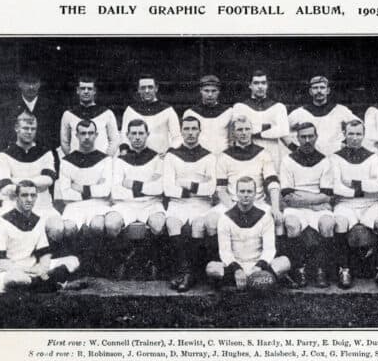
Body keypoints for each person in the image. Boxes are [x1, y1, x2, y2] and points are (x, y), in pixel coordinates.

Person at [0, 110, 65, 242]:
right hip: (13, 206)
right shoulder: (4, 156)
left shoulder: (46, 153)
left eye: (33, 129)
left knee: (57, 229)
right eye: (25, 128)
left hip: (42, 206)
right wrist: (34, 184)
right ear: (16, 128)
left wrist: (15, 182)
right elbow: (4, 187)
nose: (29, 132)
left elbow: (48, 180)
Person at [205, 115, 282, 270]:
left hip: (257, 202)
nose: (244, 133)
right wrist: (233, 209)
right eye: (240, 130)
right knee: (211, 221)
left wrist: (275, 207)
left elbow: (272, 182)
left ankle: (269, 268)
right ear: (234, 133)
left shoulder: (263, 153)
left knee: (277, 220)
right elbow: (220, 189)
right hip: (231, 202)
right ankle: (223, 266)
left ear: (251, 131)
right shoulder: (224, 156)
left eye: (247, 129)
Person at [324, 119, 378, 289]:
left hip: (371, 203)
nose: (355, 138)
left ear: (363, 135)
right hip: (345, 204)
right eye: (351, 134)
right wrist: (362, 186)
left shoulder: (373, 157)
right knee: (340, 222)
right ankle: (344, 269)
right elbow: (336, 187)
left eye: (358, 134)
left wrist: (353, 184)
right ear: (345, 135)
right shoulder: (335, 158)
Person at [0, 180, 80, 293]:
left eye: (33, 195)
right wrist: (30, 271)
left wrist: (42, 268)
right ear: (16, 197)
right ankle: (48, 284)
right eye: (24, 195)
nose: (29, 199)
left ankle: (41, 283)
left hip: (34, 268)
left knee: (73, 261)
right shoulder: (0, 221)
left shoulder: (39, 220)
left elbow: (44, 253)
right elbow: (0, 261)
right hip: (8, 271)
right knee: (18, 279)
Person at [105, 119, 166, 278]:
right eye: (134, 133)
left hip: (151, 204)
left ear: (147, 135)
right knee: (111, 224)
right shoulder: (119, 160)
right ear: (128, 135)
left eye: (141, 133)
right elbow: (116, 191)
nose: (137, 137)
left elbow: (159, 188)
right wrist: (146, 186)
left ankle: (150, 262)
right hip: (125, 205)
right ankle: (123, 261)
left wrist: (130, 183)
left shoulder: (156, 158)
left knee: (159, 226)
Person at [206, 176, 291, 290]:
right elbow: (225, 251)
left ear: (255, 194)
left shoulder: (265, 217)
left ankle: (242, 282)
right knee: (211, 268)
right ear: (236, 193)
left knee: (285, 262)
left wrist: (258, 267)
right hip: (236, 266)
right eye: (242, 191)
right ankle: (256, 282)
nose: (246, 195)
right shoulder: (225, 218)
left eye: (249, 191)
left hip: (258, 267)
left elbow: (269, 249)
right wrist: (237, 269)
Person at [163, 116, 216, 292]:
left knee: (198, 226)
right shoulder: (171, 156)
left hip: (201, 204)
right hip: (177, 204)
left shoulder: (209, 157)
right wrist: (196, 186)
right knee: (172, 224)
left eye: (194, 129)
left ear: (200, 131)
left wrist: (186, 183)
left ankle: (190, 273)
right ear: (181, 131)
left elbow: (211, 188)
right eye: (187, 129)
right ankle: (183, 270)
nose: (191, 133)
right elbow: (168, 188)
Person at [280, 122, 333, 288]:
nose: (307, 140)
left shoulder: (325, 161)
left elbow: (328, 195)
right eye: (303, 137)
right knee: (292, 225)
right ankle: (299, 269)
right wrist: (315, 200)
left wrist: (304, 198)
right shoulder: (287, 161)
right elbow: (288, 196)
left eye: (311, 136)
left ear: (316, 137)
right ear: (297, 138)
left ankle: (321, 270)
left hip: (318, 210)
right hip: (298, 209)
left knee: (327, 224)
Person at [57, 119, 113, 242]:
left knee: (98, 225)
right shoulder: (66, 161)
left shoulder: (106, 160)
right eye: (83, 133)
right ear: (76, 135)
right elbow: (66, 193)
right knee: (68, 228)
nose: (87, 137)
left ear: (96, 135)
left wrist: (80, 188)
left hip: (99, 204)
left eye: (90, 133)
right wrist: (94, 187)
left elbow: (105, 190)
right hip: (74, 206)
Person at [0, 70, 61, 159]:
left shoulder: (51, 108)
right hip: (16, 159)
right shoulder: (8, 109)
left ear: (39, 84)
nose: (31, 87)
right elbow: (0, 140)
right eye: (27, 83)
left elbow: (57, 138)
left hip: (43, 158)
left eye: (34, 83)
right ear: (20, 84)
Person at [286, 76, 359, 156]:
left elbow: (359, 125)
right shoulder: (300, 112)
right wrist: (295, 147)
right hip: (310, 157)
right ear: (310, 91)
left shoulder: (340, 110)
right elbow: (283, 130)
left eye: (322, 87)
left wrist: (346, 143)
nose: (319, 91)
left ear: (328, 90)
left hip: (334, 156)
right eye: (315, 88)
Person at [232, 70, 289, 168]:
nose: (260, 86)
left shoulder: (279, 107)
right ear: (250, 85)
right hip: (249, 152)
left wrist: (256, 132)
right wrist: (269, 128)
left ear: (267, 85)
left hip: (272, 152)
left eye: (263, 83)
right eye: (256, 83)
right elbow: (239, 130)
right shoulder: (240, 107)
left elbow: (283, 130)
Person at [121, 74, 181, 155]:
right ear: (138, 89)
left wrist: (168, 153)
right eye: (143, 88)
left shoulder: (168, 110)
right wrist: (125, 151)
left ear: (156, 88)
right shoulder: (130, 110)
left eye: (150, 87)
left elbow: (177, 137)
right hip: (136, 159)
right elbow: (124, 135)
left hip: (160, 158)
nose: (147, 91)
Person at [60, 75, 120, 156]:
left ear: (94, 91)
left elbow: (114, 140)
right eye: (82, 88)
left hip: (100, 163)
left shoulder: (107, 114)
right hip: (76, 163)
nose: (86, 91)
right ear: (77, 90)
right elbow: (64, 142)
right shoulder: (68, 115)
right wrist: (72, 159)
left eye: (89, 89)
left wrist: (105, 159)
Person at [183, 75, 233, 155]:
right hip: (199, 158)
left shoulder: (229, 112)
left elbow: (232, 139)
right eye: (206, 91)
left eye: (214, 91)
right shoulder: (191, 113)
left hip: (222, 158)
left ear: (219, 91)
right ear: (200, 90)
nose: (210, 94)